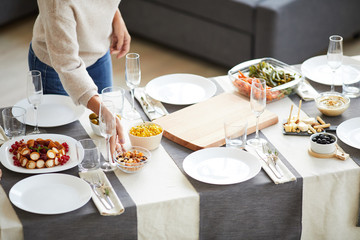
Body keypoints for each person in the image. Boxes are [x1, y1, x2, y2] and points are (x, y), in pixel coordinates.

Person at [28, 0, 130, 155]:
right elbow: (67, 64)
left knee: (104, 135)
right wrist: (102, 110)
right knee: (61, 147)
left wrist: (116, 16)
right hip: (56, 66)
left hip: (99, 54)